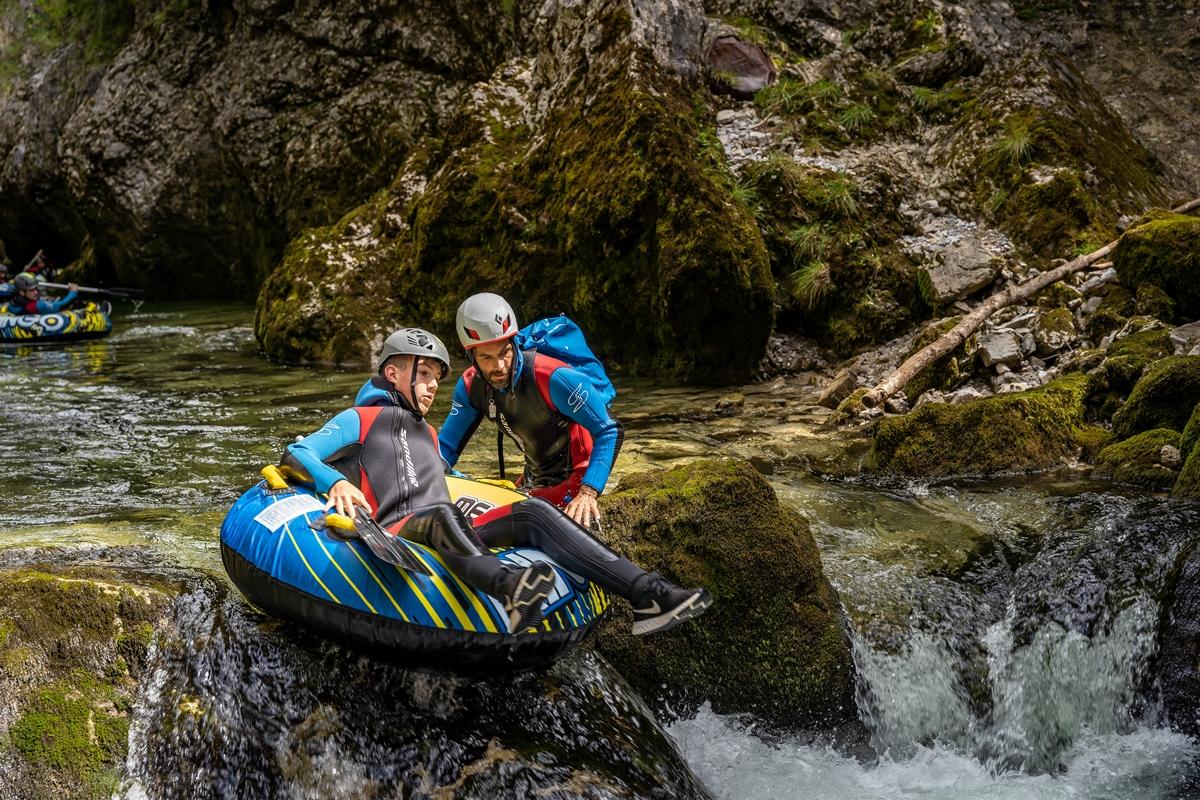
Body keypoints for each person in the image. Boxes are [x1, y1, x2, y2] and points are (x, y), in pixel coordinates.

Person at [288, 327, 712, 637]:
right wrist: (335, 483)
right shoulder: (358, 419)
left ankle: (648, 593)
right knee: (440, 516)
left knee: (533, 512)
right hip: (399, 527)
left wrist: (488, 487)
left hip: (446, 522)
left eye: (437, 377)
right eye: (424, 374)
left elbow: (442, 477)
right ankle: (511, 590)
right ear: (394, 373)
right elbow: (298, 453)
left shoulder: (428, 434)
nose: (434, 386)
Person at [438, 293, 623, 530]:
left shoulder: (553, 378)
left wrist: (588, 492)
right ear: (470, 356)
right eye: (486, 357)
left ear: (514, 343)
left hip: (577, 481)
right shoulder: (470, 387)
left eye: (504, 352)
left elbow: (609, 430)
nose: (499, 366)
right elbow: (445, 449)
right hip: (533, 478)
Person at [3, 273, 77, 315]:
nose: (36, 292)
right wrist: (73, 292)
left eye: (36, 289)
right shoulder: (35, 306)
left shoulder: (14, 302)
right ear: (22, 292)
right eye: (31, 290)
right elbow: (62, 305)